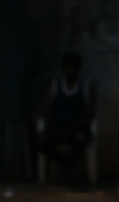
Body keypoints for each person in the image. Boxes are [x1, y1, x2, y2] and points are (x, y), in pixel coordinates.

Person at [35, 52, 98, 184]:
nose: (71, 71)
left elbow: (89, 113)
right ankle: (65, 165)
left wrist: (73, 129)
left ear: (79, 68)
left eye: (74, 67)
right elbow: (46, 111)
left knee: (81, 140)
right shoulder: (55, 85)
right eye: (68, 67)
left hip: (77, 129)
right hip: (57, 128)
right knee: (41, 141)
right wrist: (56, 128)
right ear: (63, 69)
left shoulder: (86, 87)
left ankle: (66, 168)